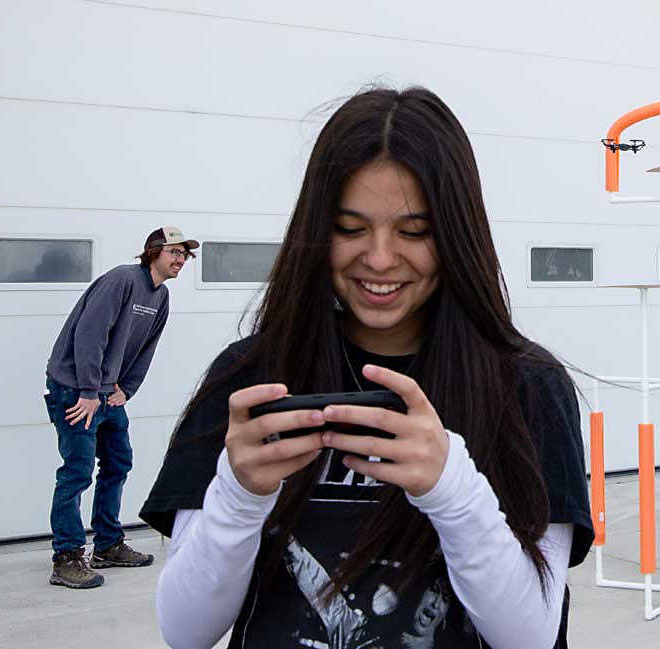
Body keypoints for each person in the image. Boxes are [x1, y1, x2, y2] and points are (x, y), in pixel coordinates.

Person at [140, 87, 593, 649]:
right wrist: (239, 494)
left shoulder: (527, 387)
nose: (379, 258)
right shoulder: (248, 378)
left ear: (457, 233)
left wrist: (452, 487)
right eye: (351, 229)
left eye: (414, 232)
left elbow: (529, 635)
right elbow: (184, 632)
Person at [44, 227, 199, 589]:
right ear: (152, 253)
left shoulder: (160, 296)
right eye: (174, 252)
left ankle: (108, 544)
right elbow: (90, 334)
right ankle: (65, 557)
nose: (180, 260)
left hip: (105, 391)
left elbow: (147, 347)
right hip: (75, 389)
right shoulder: (121, 280)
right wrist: (87, 390)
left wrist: (126, 390)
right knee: (77, 472)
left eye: (184, 255)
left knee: (118, 464)